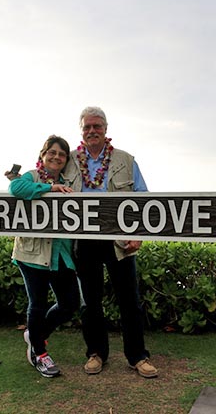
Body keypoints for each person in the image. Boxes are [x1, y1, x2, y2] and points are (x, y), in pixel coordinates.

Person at [63, 106, 158, 378]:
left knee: (129, 300)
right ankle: (96, 353)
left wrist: (138, 234)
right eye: (87, 127)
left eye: (97, 126)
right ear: (81, 131)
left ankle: (138, 357)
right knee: (90, 302)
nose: (92, 131)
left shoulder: (126, 160)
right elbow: (45, 180)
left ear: (106, 129)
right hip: (84, 240)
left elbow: (142, 198)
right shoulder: (68, 160)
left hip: (119, 240)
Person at [7, 135, 78, 378]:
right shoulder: (32, 176)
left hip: (61, 254)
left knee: (70, 304)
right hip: (32, 253)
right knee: (37, 304)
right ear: (43, 155)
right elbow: (15, 188)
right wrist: (49, 188)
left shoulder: (69, 182)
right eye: (52, 152)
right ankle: (39, 353)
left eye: (62, 154)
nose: (56, 157)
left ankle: (35, 335)